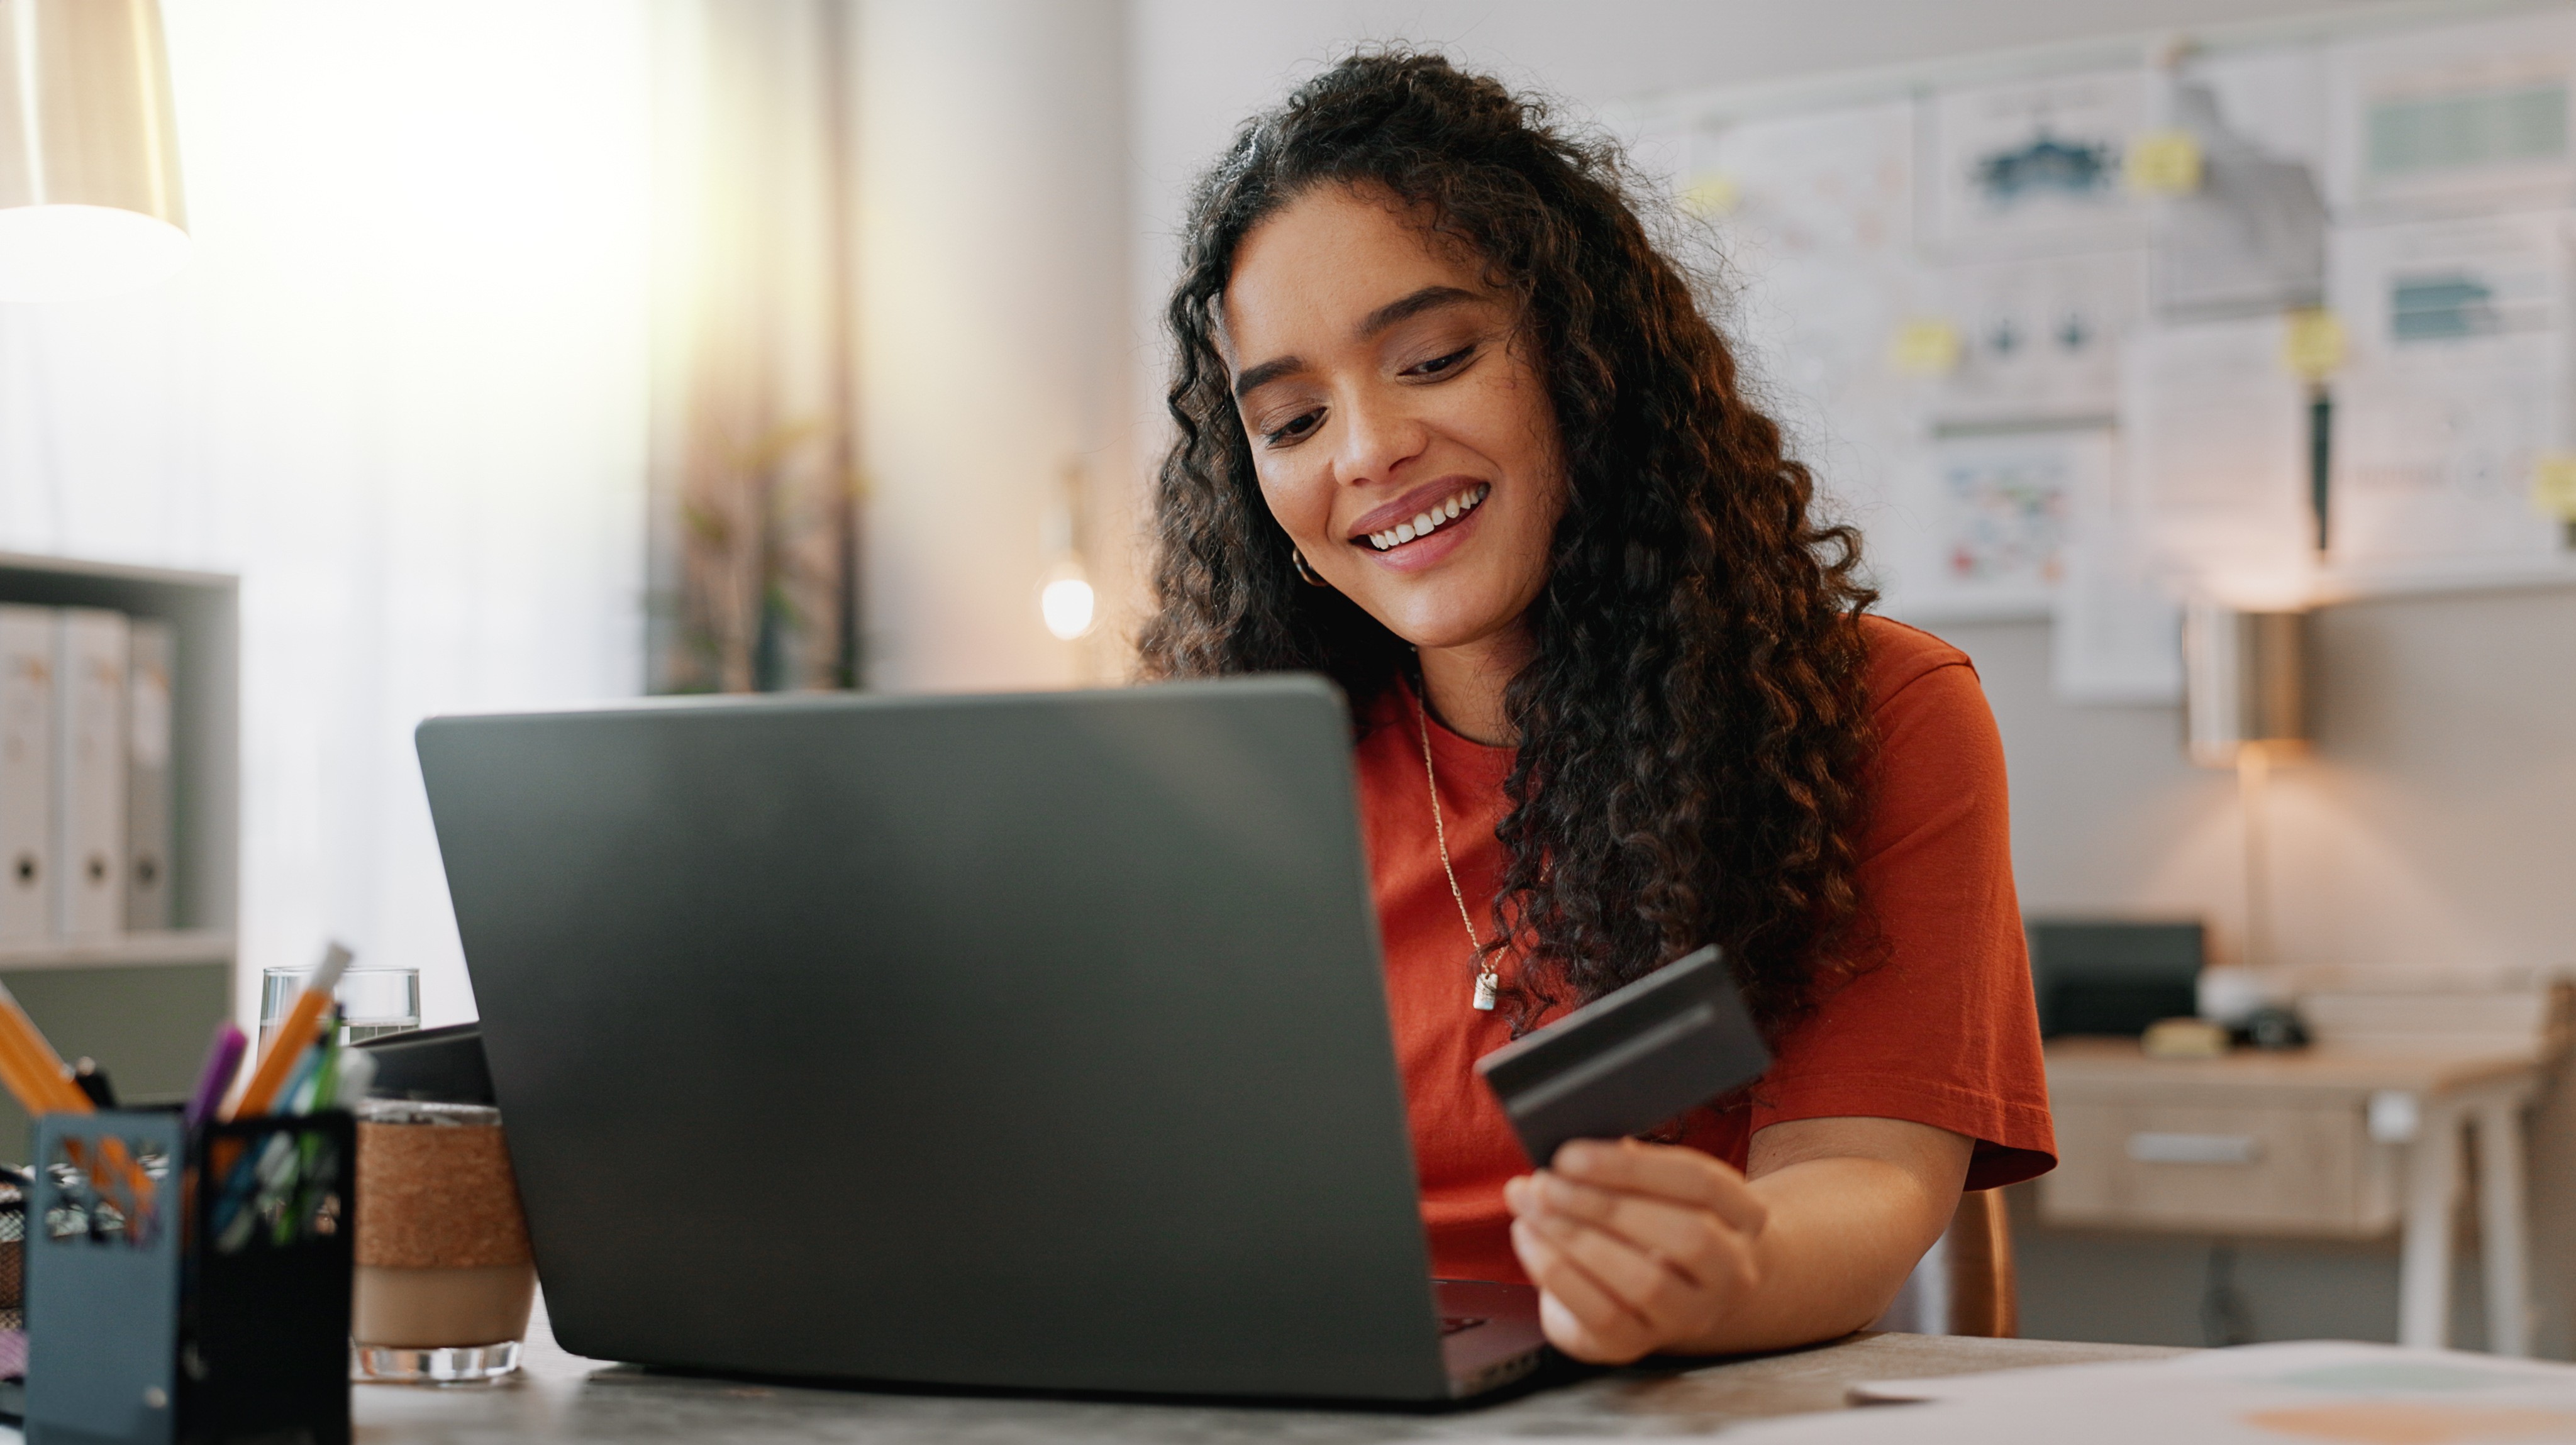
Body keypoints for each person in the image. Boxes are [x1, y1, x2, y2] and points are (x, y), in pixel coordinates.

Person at [1137, 52, 2053, 1364]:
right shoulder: (1228, 775)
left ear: (1583, 363)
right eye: (1287, 421)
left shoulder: (1874, 715)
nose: (1363, 450)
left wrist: (1714, 1276)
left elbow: (1856, 1176)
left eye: (1433, 357)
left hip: (1660, 1399)